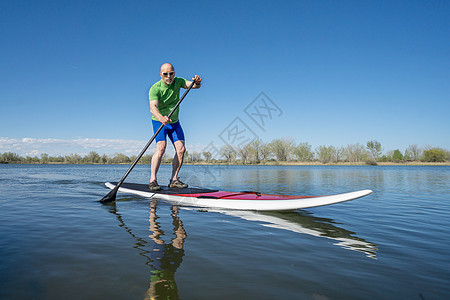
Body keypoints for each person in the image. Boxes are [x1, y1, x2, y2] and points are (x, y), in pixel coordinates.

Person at [148, 63, 201, 191]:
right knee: (161, 148)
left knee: (181, 149)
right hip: (159, 122)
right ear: (161, 75)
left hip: (174, 122)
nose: (169, 76)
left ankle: (174, 180)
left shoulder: (178, 81)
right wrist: (161, 118)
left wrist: (197, 82)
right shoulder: (155, 88)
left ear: (174, 73)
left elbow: (194, 86)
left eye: (171, 73)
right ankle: (153, 180)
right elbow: (153, 108)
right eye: (165, 74)